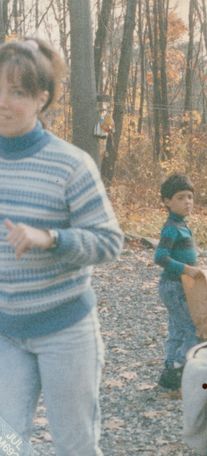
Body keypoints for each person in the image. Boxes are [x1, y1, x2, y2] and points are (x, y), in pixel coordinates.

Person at [0, 38, 123, 455]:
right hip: (6, 333)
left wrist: (51, 239)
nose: (3, 101)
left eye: (16, 92)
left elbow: (110, 242)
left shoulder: (70, 164)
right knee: (6, 443)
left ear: (41, 98)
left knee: (76, 446)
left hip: (65, 331)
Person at [154, 173, 203, 390]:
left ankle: (169, 372)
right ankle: (181, 368)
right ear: (167, 201)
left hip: (181, 285)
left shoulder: (181, 225)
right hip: (174, 286)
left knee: (176, 329)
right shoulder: (171, 227)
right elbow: (160, 257)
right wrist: (186, 269)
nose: (187, 202)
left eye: (190, 197)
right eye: (181, 198)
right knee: (193, 329)